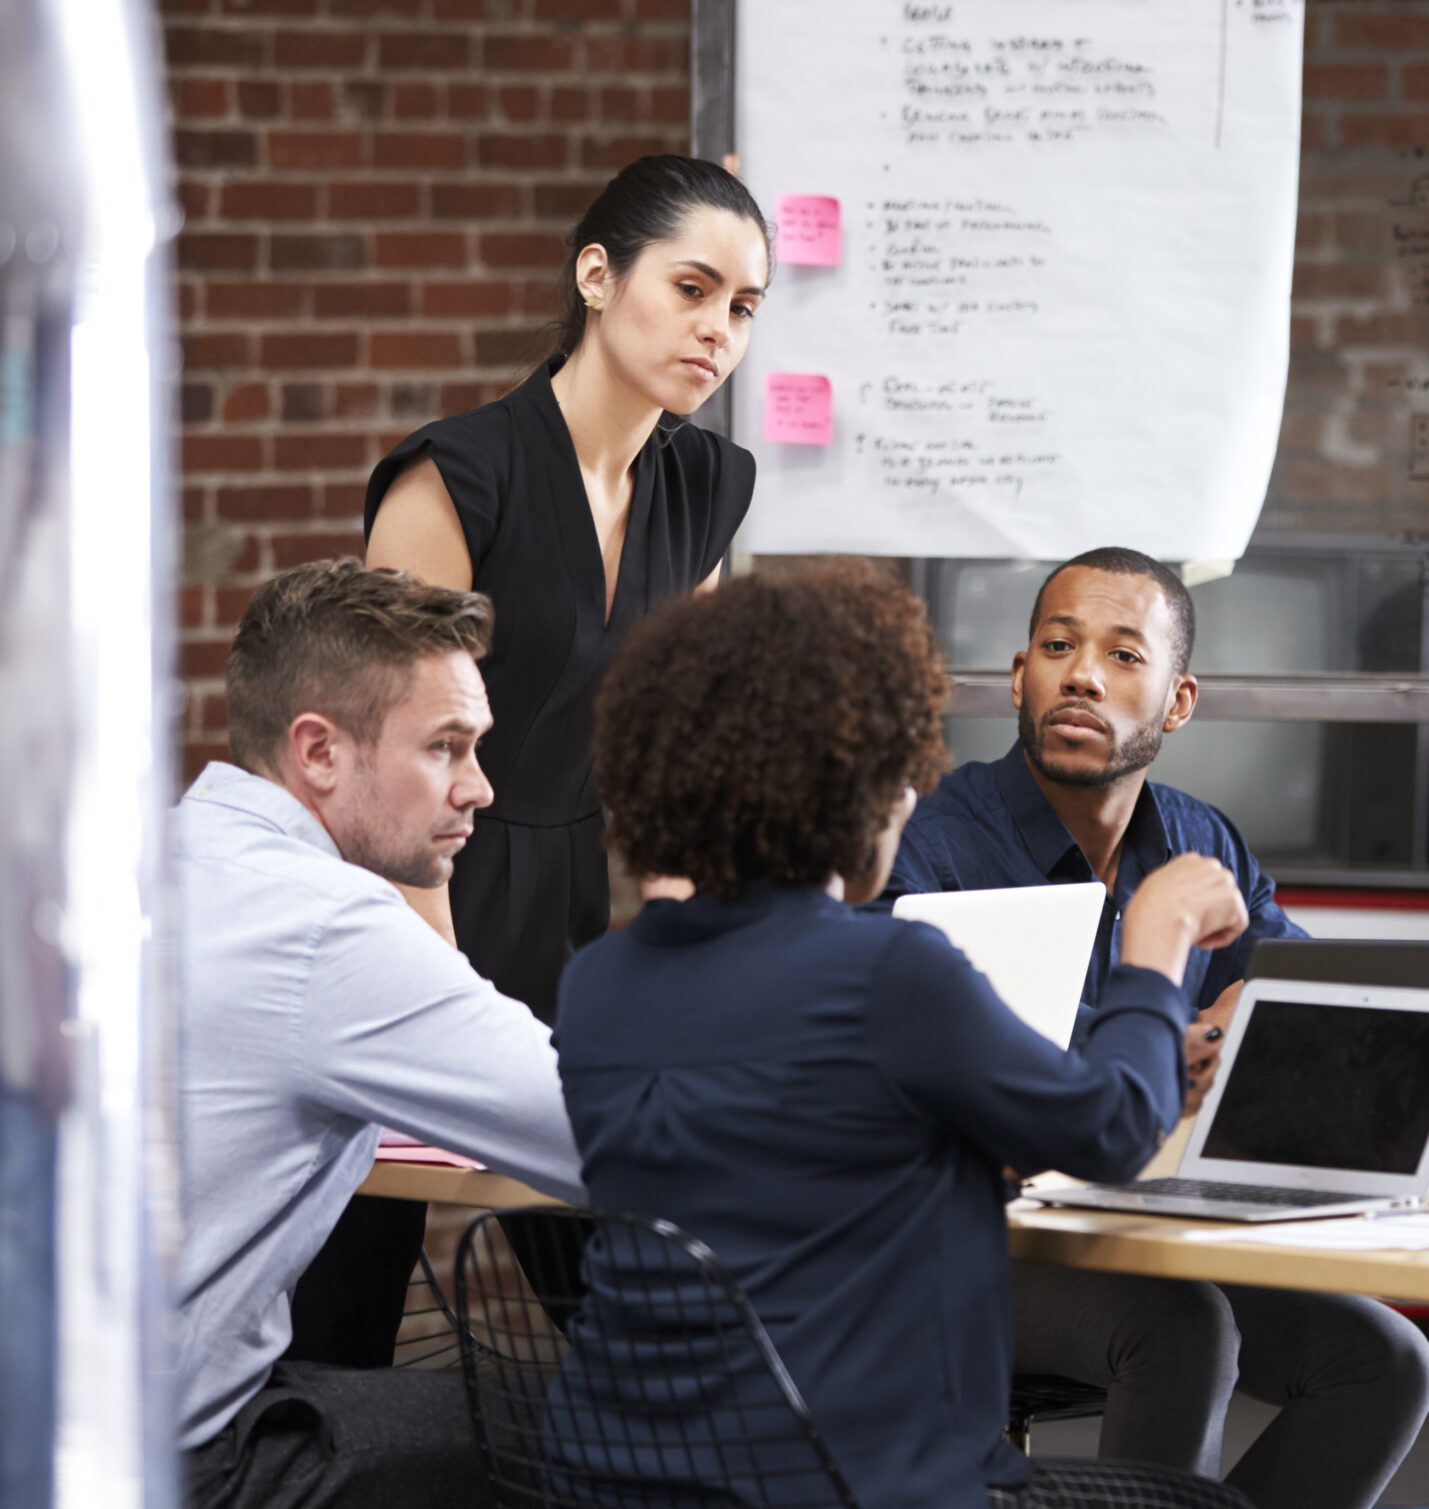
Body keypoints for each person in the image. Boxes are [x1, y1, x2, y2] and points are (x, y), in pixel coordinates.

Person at [552, 563, 1250, 1509]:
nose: (913, 795)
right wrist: (1152, 947)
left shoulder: (597, 981)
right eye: (897, 768)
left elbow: (799, 1152)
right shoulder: (893, 973)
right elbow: (1114, 1129)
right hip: (867, 1485)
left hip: (622, 1481)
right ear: (852, 789)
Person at [880, 546, 1429, 1509]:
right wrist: (1155, 1042)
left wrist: (1231, 1031)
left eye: (1123, 655)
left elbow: (1302, 999)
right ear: (1020, 676)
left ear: (1178, 702)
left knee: (1385, 1360)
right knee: (1182, 1328)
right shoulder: (930, 844)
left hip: (1129, 1226)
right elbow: (942, 1064)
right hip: (953, 1241)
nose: (1082, 674)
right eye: (1057, 646)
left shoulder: (1197, 839)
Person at [332, 153, 766, 1372]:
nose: (716, 329)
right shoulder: (458, 475)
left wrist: (702, 951)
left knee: (627, 1309)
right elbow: (390, 762)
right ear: (596, 274)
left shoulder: (706, 483)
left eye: (742, 306)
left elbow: (675, 751)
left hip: (571, 904)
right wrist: (444, 997)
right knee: (350, 1306)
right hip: (405, 896)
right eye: (690, 287)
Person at [174, 560, 588, 1509]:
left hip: (63, 1425)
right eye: (445, 747)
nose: (478, 788)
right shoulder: (326, 922)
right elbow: (602, 1126)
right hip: (180, 1461)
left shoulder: (168, 852)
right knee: (630, 1422)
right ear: (318, 751)